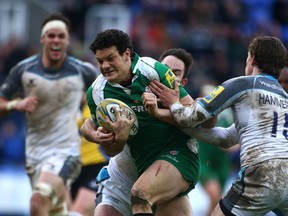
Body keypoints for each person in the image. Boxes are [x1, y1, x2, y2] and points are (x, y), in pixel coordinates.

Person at [148, 35, 288, 215]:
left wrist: (174, 103)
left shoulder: (242, 84)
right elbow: (228, 139)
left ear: (252, 58)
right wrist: (183, 127)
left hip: (261, 171)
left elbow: (191, 116)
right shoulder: (285, 99)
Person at [85, 29, 199, 216]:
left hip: (176, 153)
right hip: (136, 163)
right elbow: (111, 151)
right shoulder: (97, 93)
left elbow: (194, 117)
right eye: (100, 61)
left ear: (126, 54)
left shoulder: (154, 71)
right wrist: (119, 138)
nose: (105, 66)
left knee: (140, 194)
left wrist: (159, 112)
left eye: (110, 58)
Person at [0, 13, 98, 216]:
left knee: (67, 209)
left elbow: (114, 101)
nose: (56, 40)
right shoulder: (25, 71)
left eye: (61, 36)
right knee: (49, 208)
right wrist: (16, 105)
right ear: (42, 38)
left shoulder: (86, 75)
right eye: (51, 35)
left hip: (94, 163)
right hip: (48, 158)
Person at [68, 102, 109, 216]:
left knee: (79, 211)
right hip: (75, 168)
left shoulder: (97, 103)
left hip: (97, 164)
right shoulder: (68, 108)